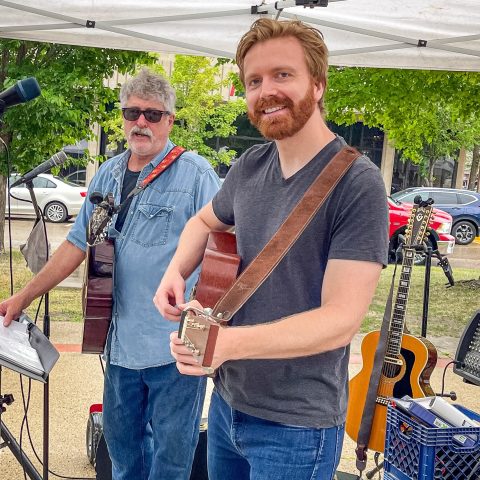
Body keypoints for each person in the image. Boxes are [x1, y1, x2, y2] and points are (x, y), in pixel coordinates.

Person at [154, 19, 389, 480]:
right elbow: (204, 222)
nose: (266, 91)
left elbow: (340, 321)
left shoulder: (358, 184)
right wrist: (175, 271)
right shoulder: (250, 165)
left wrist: (228, 345)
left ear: (318, 85)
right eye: (254, 81)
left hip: (297, 426)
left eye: (283, 75)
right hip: (226, 403)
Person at [1, 68, 220, 480]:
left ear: (170, 120)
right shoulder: (108, 174)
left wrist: (205, 324)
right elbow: (76, 246)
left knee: (171, 464)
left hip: (176, 350)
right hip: (119, 347)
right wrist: (23, 297)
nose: (141, 122)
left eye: (152, 115)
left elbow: (225, 250)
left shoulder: (197, 174)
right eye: (132, 112)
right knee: (123, 458)